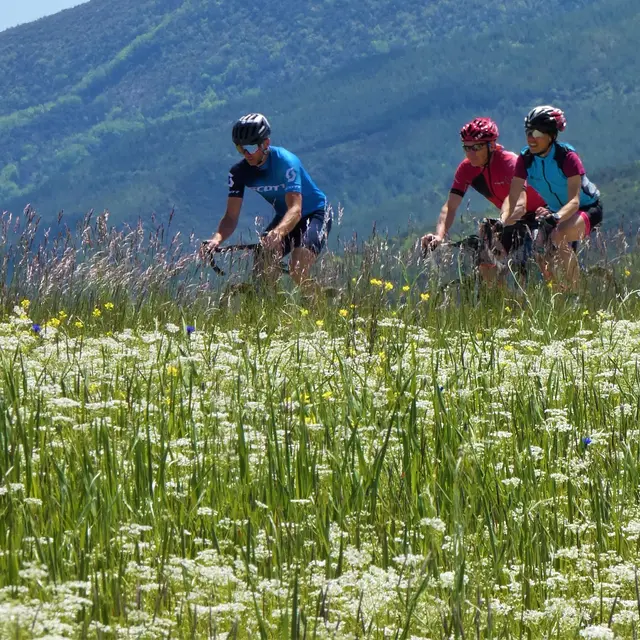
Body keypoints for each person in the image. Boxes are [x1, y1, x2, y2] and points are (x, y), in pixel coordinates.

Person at [201, 113, 331, 286]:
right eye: (240, 148)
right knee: (262, 266)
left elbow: (296, 210)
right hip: (284, 215)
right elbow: (231, 217)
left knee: (297, 269)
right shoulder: (239, 172)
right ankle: (271, 306)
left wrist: (278, 233)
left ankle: (318, 309)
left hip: (314, 214)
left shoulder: (286, 162)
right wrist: (217, 239)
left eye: (251, 147)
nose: (246, 154)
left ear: (266, 144)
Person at [421, 117, 546, 279]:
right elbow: (450, 207)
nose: (470, 153)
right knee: (486, 260)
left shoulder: (510, 163)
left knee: (535, 263)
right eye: (466, 147)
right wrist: (439, 235)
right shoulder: (466, 169)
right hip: (512, 218)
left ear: (491, 145)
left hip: (543, 211)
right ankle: (496, 301)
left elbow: (519, 203)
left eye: (476, 147)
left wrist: (502, 221)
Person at [503, 105, 602, 290]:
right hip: (555, 210)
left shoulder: (567, 157)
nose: (531, 138)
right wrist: (503, 221)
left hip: (587, 208)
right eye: (528, 132)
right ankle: (557, 292)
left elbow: (574, 202)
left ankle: (576, 294)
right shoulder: (525, 159)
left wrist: (555, 217)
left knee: (559, 236)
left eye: (537, 133)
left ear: (551, 136)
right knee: (539, 249)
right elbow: (514, 195)